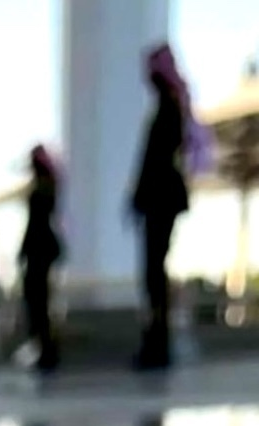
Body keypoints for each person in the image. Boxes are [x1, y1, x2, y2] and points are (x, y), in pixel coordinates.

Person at [130, 43, 193, 371]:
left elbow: (155, 161)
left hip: (160, 201)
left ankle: (157, 344)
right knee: (153, 273)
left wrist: (141, 196)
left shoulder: (168, 109)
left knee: (154, 273)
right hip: (159, 200)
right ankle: (155, 341)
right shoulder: (169, 106)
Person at [19, 144, 64, 375]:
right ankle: (46, 348)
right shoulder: (49, 186)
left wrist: (23, 250)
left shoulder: (43, 189)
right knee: (40, 301)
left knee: (38, 302)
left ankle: (46, 349)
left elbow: (35, 224)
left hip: (39, 250)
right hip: (42, 249)